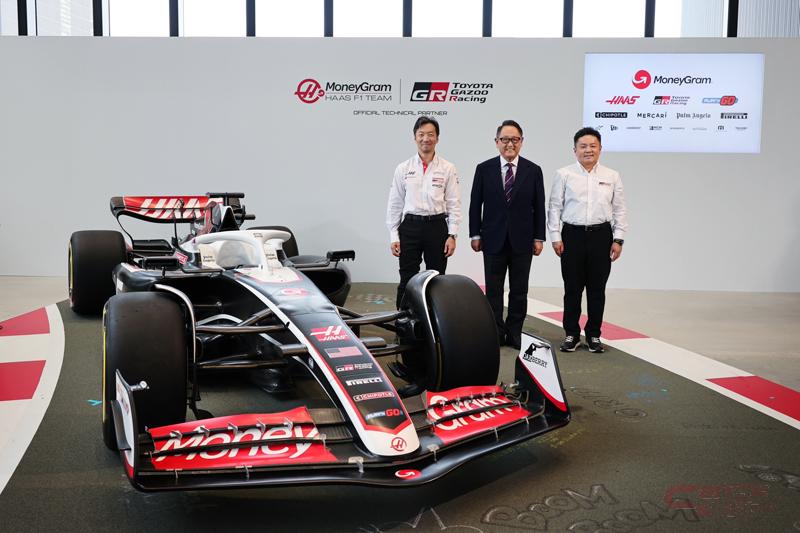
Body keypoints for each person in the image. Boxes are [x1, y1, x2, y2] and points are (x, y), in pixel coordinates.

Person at [548, 127, 628, 353]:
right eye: (583, 146)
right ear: (574, 150)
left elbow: (620, 209)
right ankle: (571, 334)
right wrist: (555, 237)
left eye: (593, 146)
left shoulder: (612, 176)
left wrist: (618, 239)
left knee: (597, 289)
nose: (588, 150)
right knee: (572, 288)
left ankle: (594, 334)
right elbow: (554, 207)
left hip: (601, 236)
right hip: (571, 236)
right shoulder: (564, 174)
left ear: (600, 149)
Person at [469, 120, 545, 350]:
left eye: (514, 139)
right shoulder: (484, 169)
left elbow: (539, 206)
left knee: (519, 291)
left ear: (522, 142)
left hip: (523, 240)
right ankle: (495, 332)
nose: (509, 144)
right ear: (496, 142)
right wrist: (475, 234)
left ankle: (514, 333)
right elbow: (475, 204)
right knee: (493, 290)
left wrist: (539, 237)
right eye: (505, 139)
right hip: (492, 239)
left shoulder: (533, 170)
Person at [386, 116, 461, 308]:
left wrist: (452, 235)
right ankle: (403, 319)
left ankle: (435, 321)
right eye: (421, 134)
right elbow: (395, 204)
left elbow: (454, 203)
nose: (425, 139)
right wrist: (394, 235)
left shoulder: (448, 168)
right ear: (415, 138)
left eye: (430, 134)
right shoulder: (403, 168)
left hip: (437, 227)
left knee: (436, 279)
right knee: (407, 277)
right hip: (410, 227)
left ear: (437, 138)